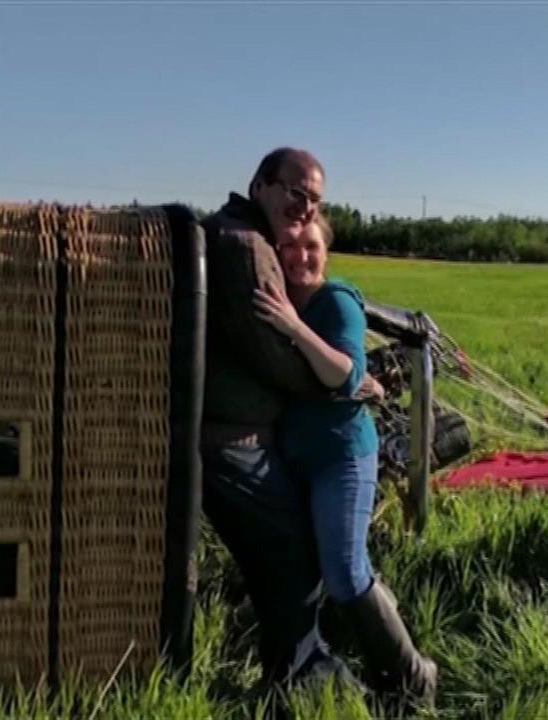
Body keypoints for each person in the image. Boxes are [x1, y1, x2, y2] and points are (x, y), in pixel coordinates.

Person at [253, 215, 439, 706]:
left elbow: (344, 373)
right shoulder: (271, 300)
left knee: (343, 572)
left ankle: (414, 679)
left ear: (327, 253)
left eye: (311, 246)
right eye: (289, 245)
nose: (301, 256)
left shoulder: (336, 301)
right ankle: (366, 649)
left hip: (342, 456)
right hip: (297, 459)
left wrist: (293, 327)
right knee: (332, 565)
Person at [199, 147, 342, 688]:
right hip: (235, 442)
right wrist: (343, 382)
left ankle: (299, 663)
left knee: (280, 558)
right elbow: (276, 356)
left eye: (316, 200)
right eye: (295, 192)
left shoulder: (238, 233)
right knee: (292, 559)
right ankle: (301, 679)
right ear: (260, 184)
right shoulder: (246, 248)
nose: (305, 208)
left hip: (233, 435)